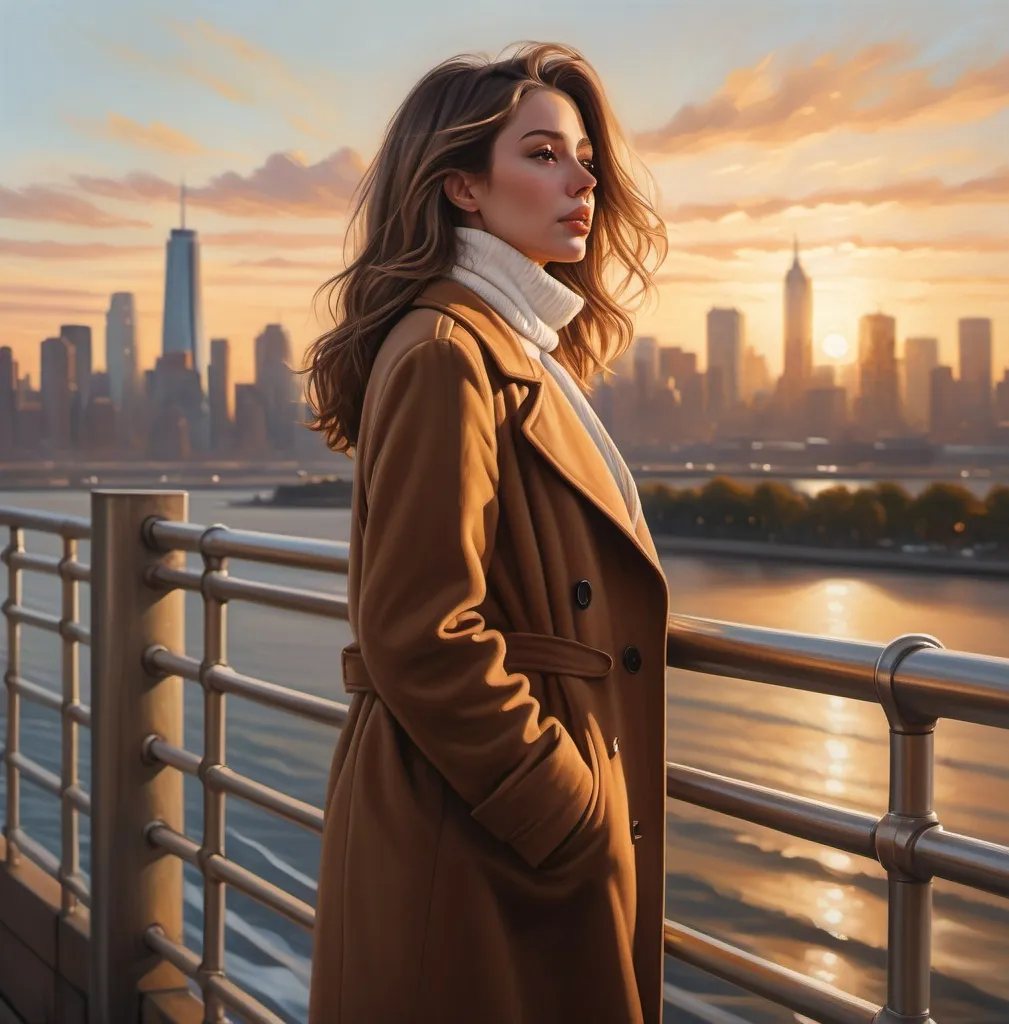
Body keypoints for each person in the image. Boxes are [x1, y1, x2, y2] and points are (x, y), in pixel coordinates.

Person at [304, 41, 671, 1024]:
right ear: (462, 185)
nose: (583, 178)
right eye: (544, 153)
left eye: (583, 155)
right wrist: (562, 808)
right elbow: (419, 627)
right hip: (474, 832)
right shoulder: (448, 351)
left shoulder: (510, 346)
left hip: (486, 822)